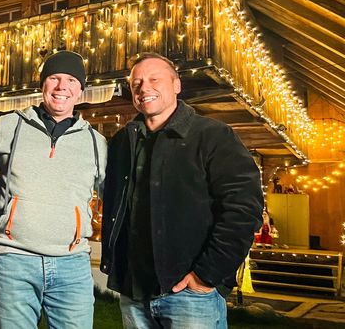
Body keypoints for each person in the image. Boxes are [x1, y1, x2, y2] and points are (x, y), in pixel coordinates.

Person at [101, 52, 264, 329]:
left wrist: (207, 275)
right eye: (136, 83)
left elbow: (243, 210)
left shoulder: (213, 136)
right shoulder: (122, 142)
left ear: (177, 85)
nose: (144, 88)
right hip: (133, 291)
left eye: (155, 79)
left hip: (189, 294)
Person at [0, 50, 107, 329]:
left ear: (80, 90)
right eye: (54, 78)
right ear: (43, 84)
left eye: (71, 80)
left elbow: (112, 199)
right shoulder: (9, 126)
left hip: (72, 264)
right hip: (13, 259)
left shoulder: (96, 142)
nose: (62, 86)